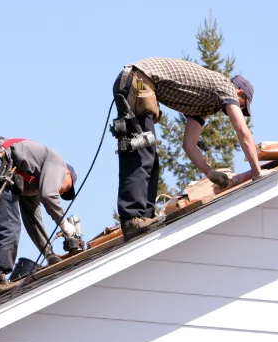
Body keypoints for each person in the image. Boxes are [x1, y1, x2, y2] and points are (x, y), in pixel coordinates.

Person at [112, 57, 263, 241]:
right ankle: (133, 220)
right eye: (241, 104)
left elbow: (189, 144)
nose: (239, 109)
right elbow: (242, 131)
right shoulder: (226, 87)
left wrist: (210, 172)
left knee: (148, 155)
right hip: (138, 80)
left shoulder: (204, 104)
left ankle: (144, 218)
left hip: (137, 82)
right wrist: (257, 173)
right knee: (142, 151)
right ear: (239, 92)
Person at [0, 137, 77, 305]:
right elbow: (49, 195)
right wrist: (63, 224)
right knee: (9, 227)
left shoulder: (33, 181)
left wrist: (49, 254)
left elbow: (33, 221)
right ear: (67, 173)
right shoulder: (58, 163)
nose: (61, 191)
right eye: (66, 187)